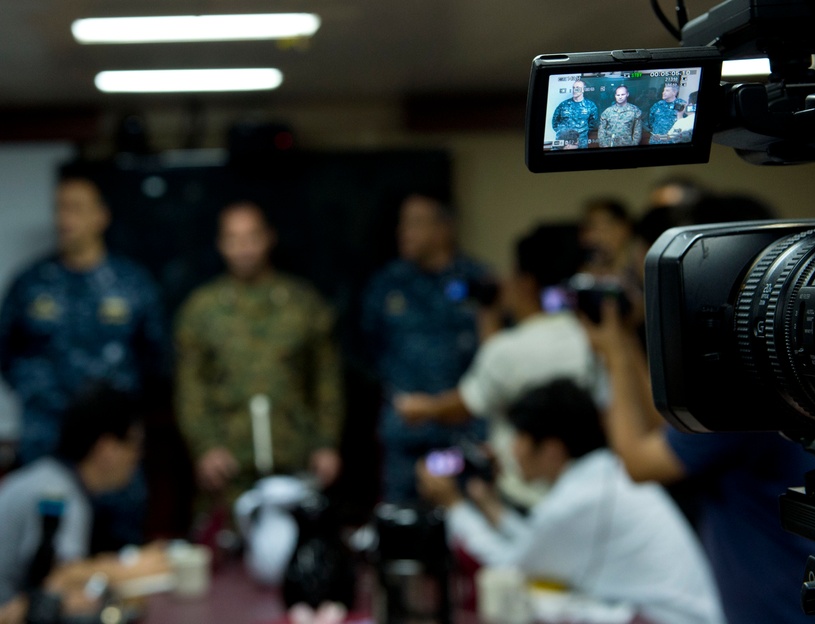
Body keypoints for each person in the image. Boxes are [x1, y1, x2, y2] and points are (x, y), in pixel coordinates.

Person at [583, 297, 815, 624]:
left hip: (780, 608)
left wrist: (613, 357)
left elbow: (638, 462)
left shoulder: (740, 395)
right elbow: (669, 432)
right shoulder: (762, 374)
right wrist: (625, 344)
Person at [416, 379, 725, 624]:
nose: (513, 449)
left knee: (526, 604)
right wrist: (491, 508)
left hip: (664, 619)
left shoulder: (576, 501)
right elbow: (540, 542)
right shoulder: (601, 474)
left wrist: (454, 506)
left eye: (520, 437)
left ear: (551, 449)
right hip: (675, 614)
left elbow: (511, 566)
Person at [0, 174, 170, 550]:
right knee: (43, 560)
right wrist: (42, 395)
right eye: (59, 208)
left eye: (76, 208)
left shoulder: (131, 283)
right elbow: (6, 354)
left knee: (121, 557)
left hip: (112, 453)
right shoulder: (30, 284)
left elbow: (156, 362)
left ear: (101, 217)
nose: (64, 219)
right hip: (47, 445)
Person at [394, 224, 602, 509]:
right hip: (585, 491)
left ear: (525, 282)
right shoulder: (594, 339)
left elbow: (466, 404)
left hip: (524, 496)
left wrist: (423, 408)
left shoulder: (508, 351)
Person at [174, 201, 346, 509]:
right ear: (220, 244)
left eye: (252, 237)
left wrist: (325, 443)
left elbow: (326, 379)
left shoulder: (302, 303)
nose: (244, 248)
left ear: (269, 238)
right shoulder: (202, 309)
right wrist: (205, 446)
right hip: (228, 465)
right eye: (234, 238)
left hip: (296, 458)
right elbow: (191, 388)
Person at [360, 193, 492, 504]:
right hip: (405, 436)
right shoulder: (386, 285)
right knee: (403, 530)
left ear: (444, 229)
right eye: (403, 223)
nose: (405, 232)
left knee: (467, 533)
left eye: (416, 223)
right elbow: (366, 349)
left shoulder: (478, 281)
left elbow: (495, 360)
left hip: (466, 434)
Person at [0, 385, 167, 622]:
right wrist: (130, 569)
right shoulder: (60, 494)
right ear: (107, 448)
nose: (137, 458)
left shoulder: (49, 476)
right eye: (134, 445)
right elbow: (60, 580)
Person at [550, 80, 599, 149]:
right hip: (562, 143)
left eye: (577, 88)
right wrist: (563, 133)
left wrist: (581, 134)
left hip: (580, 143)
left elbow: (593, 124)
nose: (574, 90)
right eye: (573, 87)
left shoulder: (590, 106)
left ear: (583, 90)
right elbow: (555, 122)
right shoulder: (563, 105)